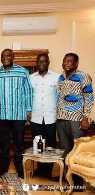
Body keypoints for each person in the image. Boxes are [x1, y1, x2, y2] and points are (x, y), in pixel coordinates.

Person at [0, 49, 33, 179]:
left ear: (13, 57)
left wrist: (28, 109)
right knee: (4, 143)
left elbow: (28, 92)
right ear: (1, 58)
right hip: (2, 114)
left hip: (18, 114)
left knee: (19, 143)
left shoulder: (23, 72)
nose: (6, 58)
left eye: (8, 55)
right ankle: (4, 166)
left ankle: (19, 167)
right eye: (3, 56)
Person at [57, 53, 94, 191]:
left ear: (76, 64)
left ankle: (79, 182)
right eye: (65, 61)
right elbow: (59, 97)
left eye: (70, 61)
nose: (66, 63)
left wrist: (85, 117)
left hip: (77, 118)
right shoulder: (61, 77)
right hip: (61, 118)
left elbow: (89, 98)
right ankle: (69, 179)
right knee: (66, 150)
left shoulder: (84, 76)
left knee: (77, 150)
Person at [30, 53, 60, 180]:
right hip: (36, 116)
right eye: (39, 62)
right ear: (36, 63)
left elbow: (60, 96)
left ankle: (48, 170)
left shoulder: (57, 77)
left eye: (44, 61)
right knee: (38, 143)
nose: (41, 63)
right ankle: (40, 167)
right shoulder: (31, 78)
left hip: (50, 116)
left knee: (51, 144)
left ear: (48, 62)